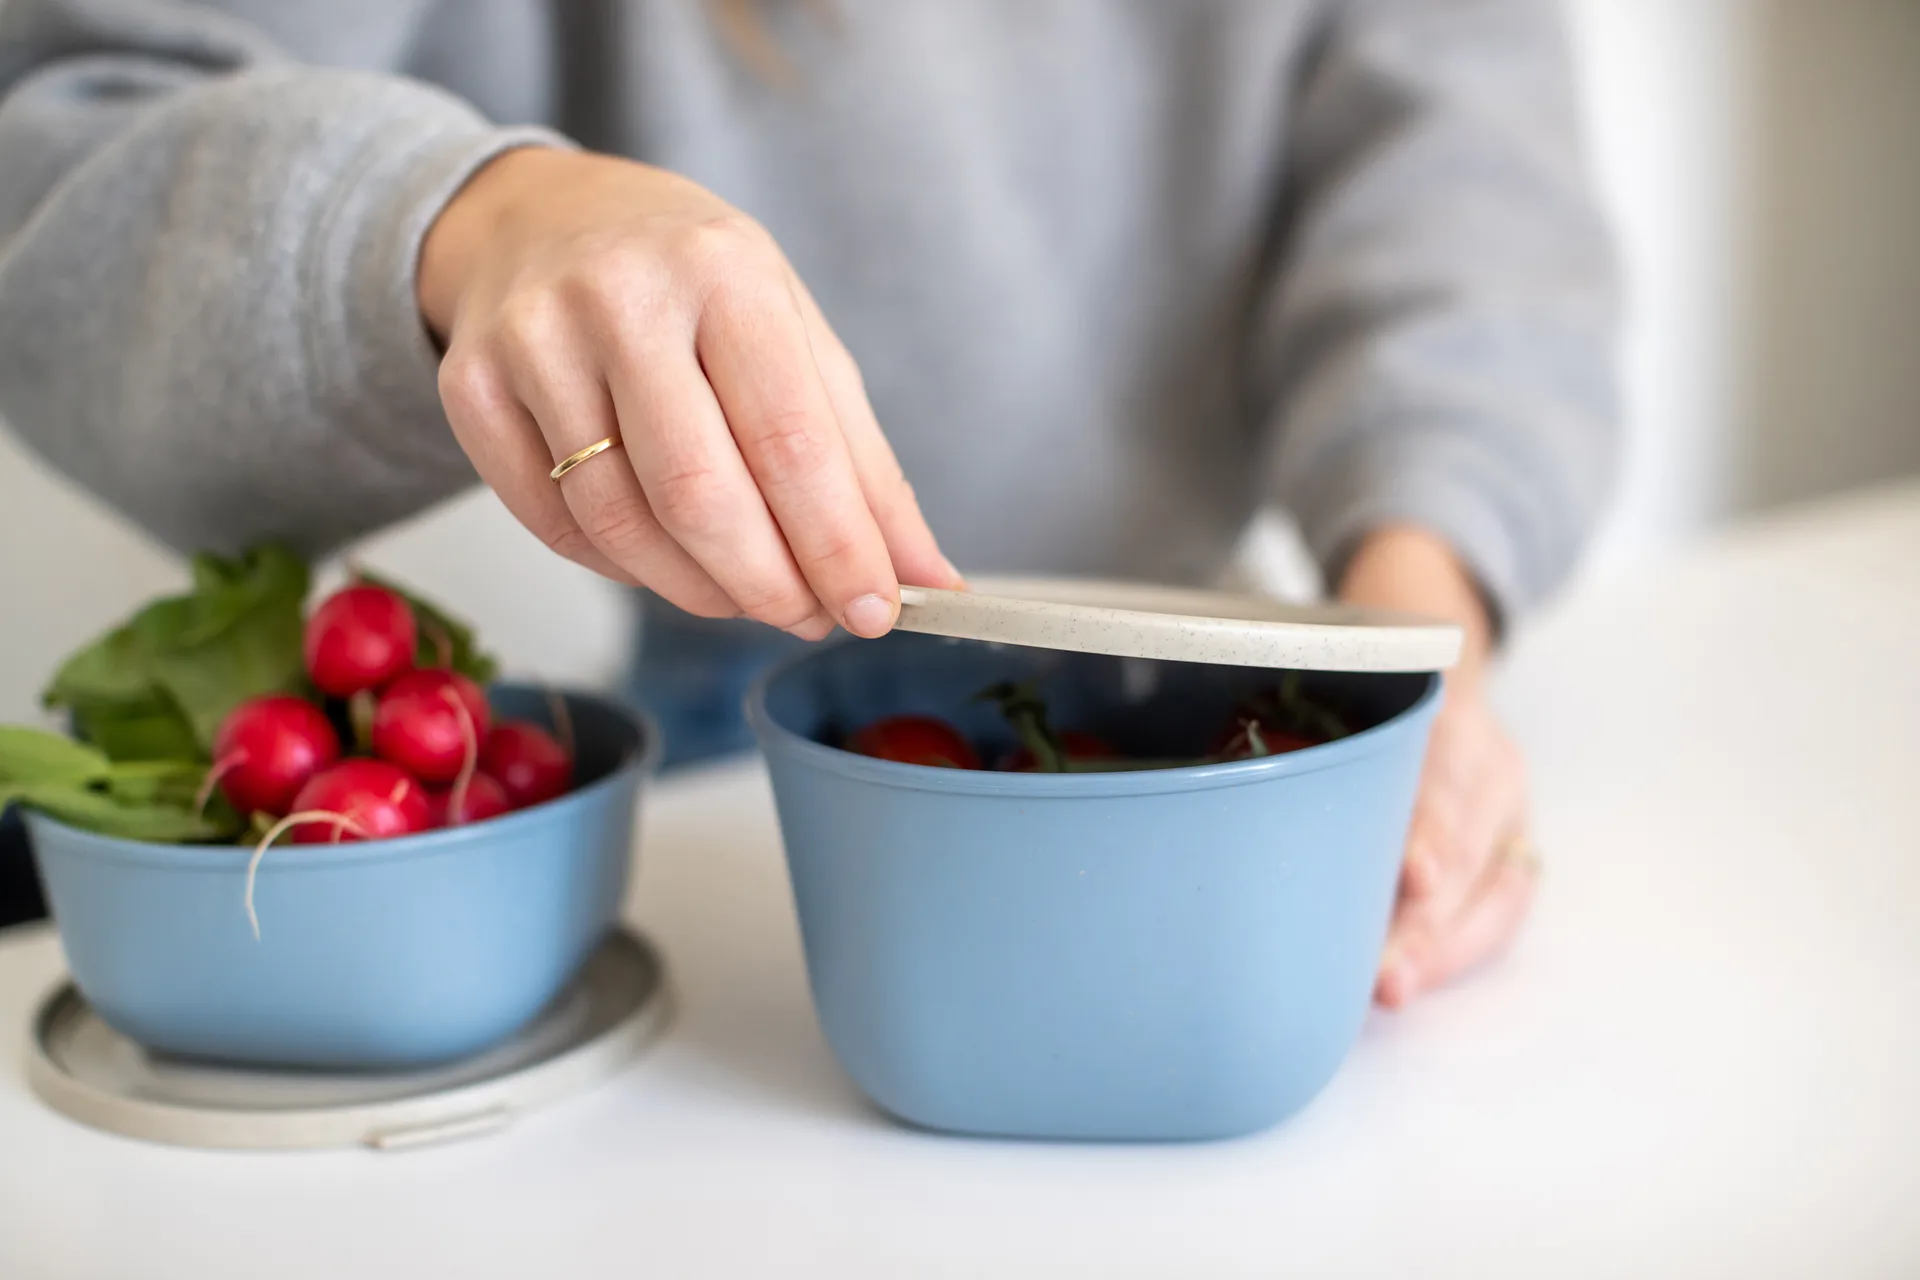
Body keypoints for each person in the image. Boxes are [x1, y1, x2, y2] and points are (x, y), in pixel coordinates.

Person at [0, 0, 1617, 1007]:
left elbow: (1472, 212)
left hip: (1246, 697)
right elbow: (62, 146)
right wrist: (479, 220)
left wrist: (1415, 640)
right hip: (733, 736)